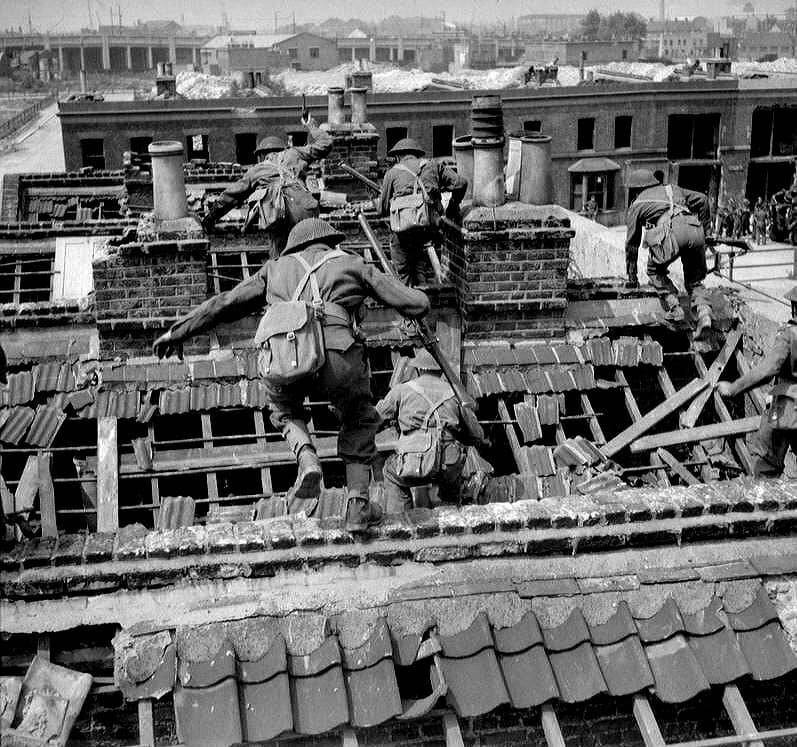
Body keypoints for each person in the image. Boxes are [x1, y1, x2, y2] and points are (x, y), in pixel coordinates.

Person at [153, 218, 430, 531]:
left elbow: (225, 304)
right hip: (340, 359)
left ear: (293, 246)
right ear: (331, 242)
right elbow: (413, 303)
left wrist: (178, 332)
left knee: (283, 408)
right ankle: (358, 507)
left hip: (288, 357)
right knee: (358, 419)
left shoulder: (275, 268)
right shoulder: (352, 263)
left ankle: (307, 458)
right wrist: (421, 299)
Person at [376, 348, 489, 512]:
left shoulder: (401, 390)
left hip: (413, 463)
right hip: (447, 465)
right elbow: (476, 434)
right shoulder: (456, 394)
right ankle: (451, 513)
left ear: (419, 369)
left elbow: (374, 419)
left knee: (390, 471)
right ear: (441, 371)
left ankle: (400, 519)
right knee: (453, 476)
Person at [201, 115, 333, 253]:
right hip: (306, 207)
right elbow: (325, 144)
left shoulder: (257, 169)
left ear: (261, 155)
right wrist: (311, 125)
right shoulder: (294, 153)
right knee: (313, 251)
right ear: (283, 149)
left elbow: (231, 196)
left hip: (280, 213)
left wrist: (209, 219)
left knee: (281, 257)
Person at [624, 169, 713, 339]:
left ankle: (675, 308)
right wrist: (706, 233)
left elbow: (632, 244)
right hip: (695, 229)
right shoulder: (672, 188)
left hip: (672, 234)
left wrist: (632, 276)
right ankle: (704, 313)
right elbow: (703, 200)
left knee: (654, 271)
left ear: (636, 189)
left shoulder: (636, 205)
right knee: (694, 280)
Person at [718, 288, 797, 477]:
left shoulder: (789, 334)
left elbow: (768, 370)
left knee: (765, 462)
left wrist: (733, 388)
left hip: (785, 405)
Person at [379, 137, 467, 287]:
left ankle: (407, 293)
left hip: (404, 231)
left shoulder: (392, 173)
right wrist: (453, 205)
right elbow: (461, 183)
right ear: (418, 154)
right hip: (430, 229)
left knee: (402, 267)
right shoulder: (433, 166)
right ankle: (424, 287)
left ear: (398, 156)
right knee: (421, 262)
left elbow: (382, 209)